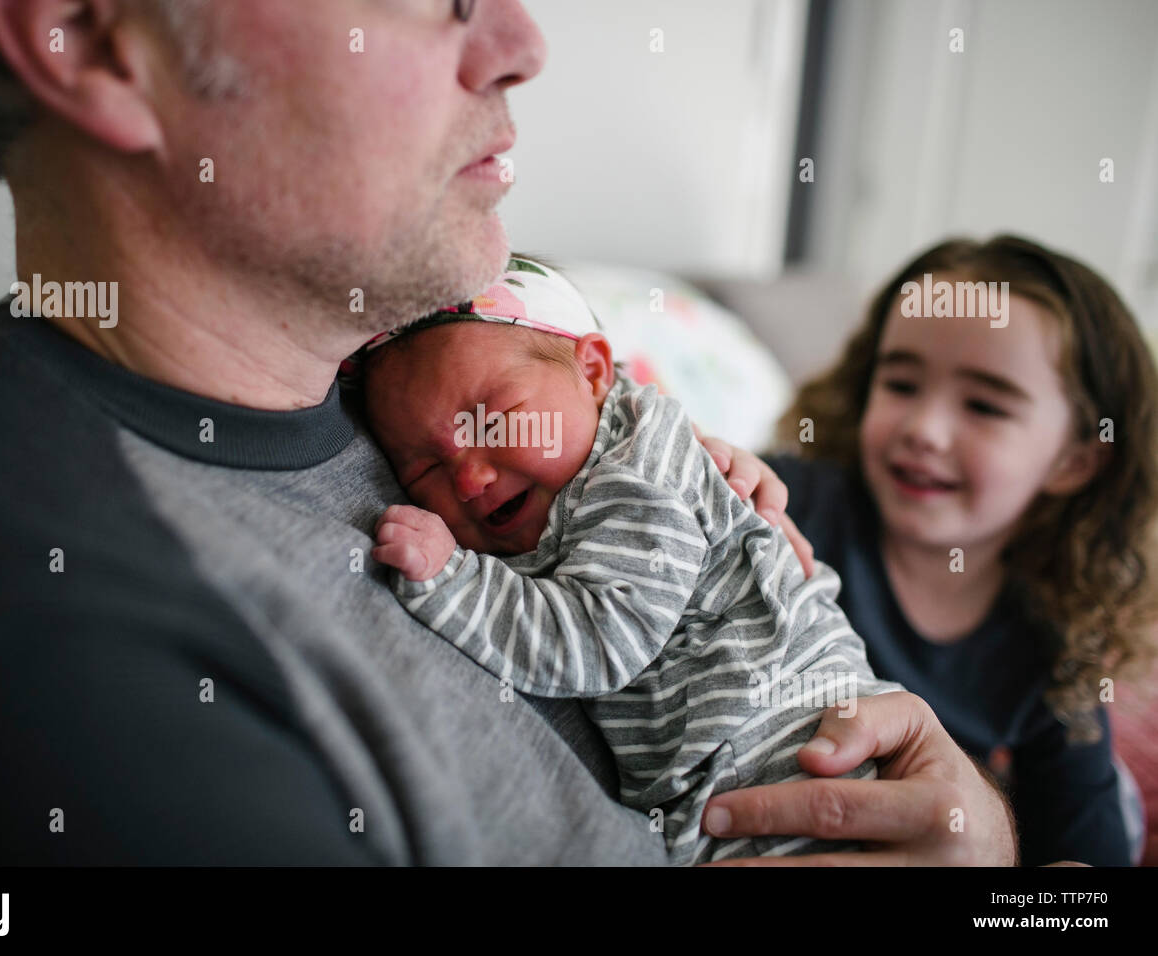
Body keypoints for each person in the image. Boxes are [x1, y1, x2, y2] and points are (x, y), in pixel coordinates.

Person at [0, 0, 1014, 865]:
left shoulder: (396, 373)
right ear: (88, 37)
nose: (520, 38)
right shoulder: (58, 651)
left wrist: (982, 837)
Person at [358, 256, 907, 864]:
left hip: (792, 759)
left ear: (593, 373)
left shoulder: (634, 477)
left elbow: (597, 640)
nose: (469, 478)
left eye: (495, 420)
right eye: (425, 469)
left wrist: (450, 577)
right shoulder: (578, 465)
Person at [765, 234, 1158, 866]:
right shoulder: (793, 505)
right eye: (900, 383)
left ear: (1075, 460)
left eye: (984, 404)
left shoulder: (1055, 640)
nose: (924, 428)